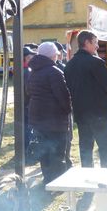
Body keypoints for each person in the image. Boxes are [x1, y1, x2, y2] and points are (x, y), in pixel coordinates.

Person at [64, 30, 107, 168]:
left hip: (81, 114)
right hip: (99, 114)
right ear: (86, 43)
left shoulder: (69, 65)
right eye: (95, 43)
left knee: (86, 149)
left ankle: (87, 177)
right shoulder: (96, 62)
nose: (97, 46)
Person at [26, 41, 72, 184]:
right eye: (56, 54)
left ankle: (47, 180)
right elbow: (63, 96)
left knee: (44, 152)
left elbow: (28, 92)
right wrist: (68, 110)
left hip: (37, 119)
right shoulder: (54, 72)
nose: (57, 56)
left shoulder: (33, 71)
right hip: (55, 120)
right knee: (58, 153)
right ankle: (57, 183)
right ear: (52, 55)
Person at [53, 41, 73, 168]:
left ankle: (65, 159)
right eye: (60, 53)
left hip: (53, 110)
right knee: (65, 136)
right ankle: (65, 160)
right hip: (61, 108)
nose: (62, 55)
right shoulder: (58, 69)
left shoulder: (61, 66)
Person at [23, 46, 36, 165]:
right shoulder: (27, 71)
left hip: (23, 105)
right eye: (30, 57)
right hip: (28, 105)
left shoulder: (20, 70)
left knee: (25, 130)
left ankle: (25, 154)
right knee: (28, 131)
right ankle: (28, 155)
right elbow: (29, 90)